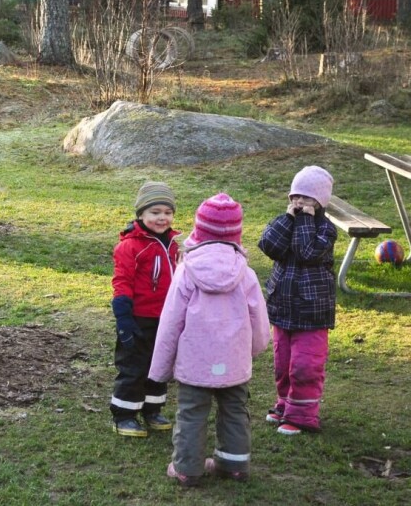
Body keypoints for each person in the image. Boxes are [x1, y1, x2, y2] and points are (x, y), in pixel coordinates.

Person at [149, 193, 271, 487]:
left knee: (191, 413)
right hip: (234, 363)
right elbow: (260, 319)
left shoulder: (186, 272)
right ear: (236, 234)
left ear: (199, 231)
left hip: (195, 363)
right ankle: (235, 464)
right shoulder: (246, 274)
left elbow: (170, 322)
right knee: (235, 411)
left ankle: (186, 469)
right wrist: (253, 351)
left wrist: (160, 369)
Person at [258, 165, 337, 435]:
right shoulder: (286, 220)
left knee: (305, 364)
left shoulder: (326, 229)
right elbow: (268, 246)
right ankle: (285, 403)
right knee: (283, 363)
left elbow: (307, 251)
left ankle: (302, 414)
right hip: (283, 306)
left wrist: (304, 221)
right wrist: (288, 219)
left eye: (306, 198)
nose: (299, 202)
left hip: (312, 312)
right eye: (295, 196)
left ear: (320, 202)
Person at [109, 181, 180, 437]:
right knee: (134, 367)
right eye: (155, 212)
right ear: (141, 214)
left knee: (159, 366)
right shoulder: (130, 246)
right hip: (138, 318)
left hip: (166, 317)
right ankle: (124, 415)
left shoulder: (174, 244)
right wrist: (124, 318)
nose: (162, 218)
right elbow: (122, 282)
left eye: (167, 212)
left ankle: (152, 410)